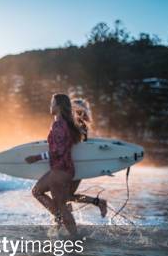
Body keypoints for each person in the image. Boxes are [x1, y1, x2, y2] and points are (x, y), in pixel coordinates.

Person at [25, 94, 81, 236]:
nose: (50, 106)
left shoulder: (59, 124)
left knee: (60, 205)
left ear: (58, 106)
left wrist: (36, 157)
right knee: (40, 193)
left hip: (60, 170)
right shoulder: (65, 124)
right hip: (64, 169)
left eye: (52, 103)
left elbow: (59, 151)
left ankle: (73, 236)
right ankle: (63, 224)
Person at [67, 98, 107, 217]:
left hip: (75, 164)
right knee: (65, 196)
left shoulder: (79, 125)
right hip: (74, 164)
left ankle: (63, 220)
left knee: (64, 195)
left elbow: (78, 146)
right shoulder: (77, 124)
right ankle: (63, 219)